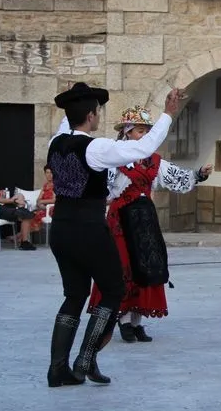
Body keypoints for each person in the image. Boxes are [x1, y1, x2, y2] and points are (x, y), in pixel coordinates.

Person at [45, 82, 181, 388]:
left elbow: (67, 125)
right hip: (88, 229)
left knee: (74, 295)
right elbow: (143, 149)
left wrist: (73, 101)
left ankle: (57, 369)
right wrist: (168, 114)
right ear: (91, 116)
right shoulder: (95, 148)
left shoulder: (55, 143)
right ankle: (85, 359)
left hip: (61, 229)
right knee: (114, 290)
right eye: (96, 111)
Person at [87, 106, 213, 345]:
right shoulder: (114, 158)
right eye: (139, 131)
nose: (144, 135)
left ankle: (137, 322)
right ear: (127, 132)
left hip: (144, 220)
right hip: (120, 221)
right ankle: (123, 320)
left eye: (147, 131)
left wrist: (198, 174)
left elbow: (176, 177)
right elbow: (103, 189)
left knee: (146, 268)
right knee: (123, 268)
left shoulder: (154, 161)